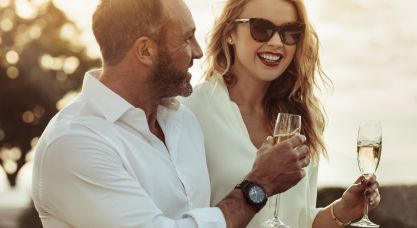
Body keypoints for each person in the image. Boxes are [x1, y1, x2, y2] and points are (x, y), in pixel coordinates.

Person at [31, 0, 311, 227]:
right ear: (145, 51)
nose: (200, 52)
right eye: (187, 39)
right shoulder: (75, 143)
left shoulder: (182, 121)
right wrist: (259, 184)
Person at [180, 0, 381, 227]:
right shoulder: (190, 111)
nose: (276, 42)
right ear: (229, 33)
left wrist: (343, 210)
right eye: (261, 29)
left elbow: (299, 219)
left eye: (290, 32)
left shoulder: (304, 118)